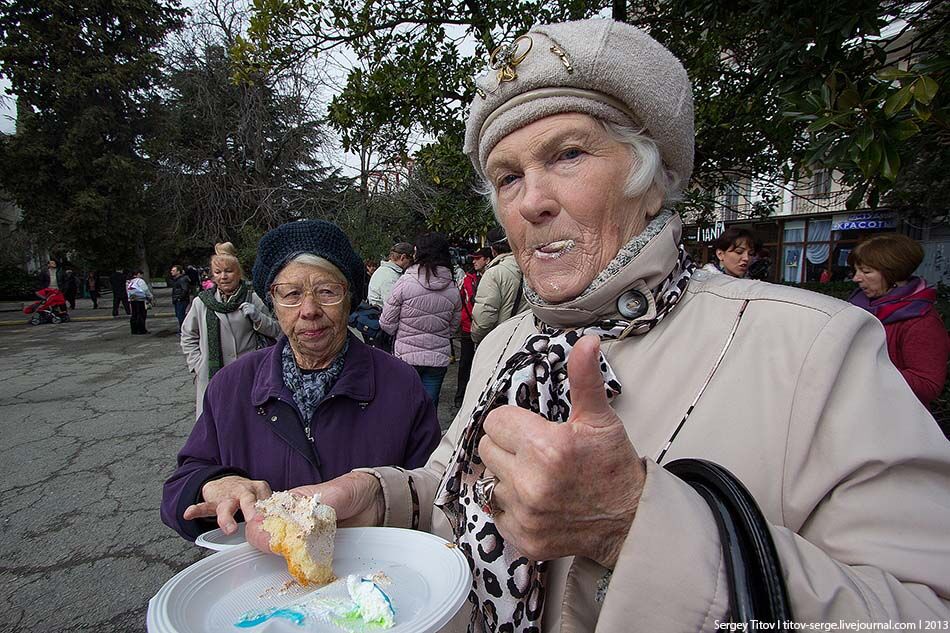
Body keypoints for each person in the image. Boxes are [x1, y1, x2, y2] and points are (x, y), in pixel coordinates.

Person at [247, 19, 950, 632]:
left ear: (651, 175)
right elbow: (453, 492)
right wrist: (377, 492)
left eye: (568, 154)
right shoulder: (504, 343)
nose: (531, 202)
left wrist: (634, 524)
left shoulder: (815, 350)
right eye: (508, 176)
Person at [161, 220, 441, 541]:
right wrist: (211, 484)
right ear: (273, 302)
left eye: (327, 291)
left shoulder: (400, 384)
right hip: (259, 581)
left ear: (349, 298)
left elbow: (434, 491)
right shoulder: (231, 385)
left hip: (372, 580)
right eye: (291, 294)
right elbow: (179, 488)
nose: (309, 310)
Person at [180, 242, 281, 419]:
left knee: (248, 423)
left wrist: (258, 317)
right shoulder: (202, 302)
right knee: (217, 424)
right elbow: (188, 336)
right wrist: (197, 364)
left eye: (228, 271)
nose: (223, 277)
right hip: (213, 375)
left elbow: (279, 331)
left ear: (238, 272)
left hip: (249, 374)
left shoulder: (253, 298)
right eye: (218, 272)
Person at [848, 234, 950, 408]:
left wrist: (861, 368)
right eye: (856, 271)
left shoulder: (921, 322)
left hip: (891, 418)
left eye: (866, 271)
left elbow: (927, 386)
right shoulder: (856, 306)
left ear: (893, 274)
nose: (856, 278)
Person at [380, 233, 462, 408]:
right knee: (429, 406)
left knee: (403, 405)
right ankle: (427, 435)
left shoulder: (405, 282)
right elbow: (454, 326)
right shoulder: (453, 287)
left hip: (406, 357)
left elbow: (386, 322)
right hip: (438, 358)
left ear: (418, 253)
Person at [470, 226, 528, 343]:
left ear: (493, 250)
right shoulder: (530, 268)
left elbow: (484, 318)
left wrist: (477, 338)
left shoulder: (494, 273)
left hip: (502, 341)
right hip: (527, 339)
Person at [455, 247, 492, 407]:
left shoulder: (491, 277)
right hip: (468, 327)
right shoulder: (468, 279)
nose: (474, 261)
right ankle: (461, 396)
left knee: (484, 363)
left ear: (487, 259)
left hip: (486, 328)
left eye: (478, 258)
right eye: (473, 258)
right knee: (465, 362)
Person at [366, 242, 414, 309]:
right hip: (380, 315)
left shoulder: (387, 271)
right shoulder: (389, 276)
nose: (411, 264)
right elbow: (391, 306)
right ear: (403, 257)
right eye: (411, 260)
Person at [126, 270, 152, 335]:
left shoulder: (129, 281)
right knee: (141, 314)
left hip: (132, 300)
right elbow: (145, 290)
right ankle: (142, 330)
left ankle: (134, 330)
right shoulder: (140, 281)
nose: (142, 276)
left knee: (134, 315)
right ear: (138, 274)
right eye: (141, 274)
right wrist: (150, 296)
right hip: (141, 300)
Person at [169, 264, 191, 333]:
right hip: (178, 300)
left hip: (181, 300)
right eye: (171, 270)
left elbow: (185, 289)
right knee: (179, 315)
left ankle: (183, 330)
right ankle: (182, 329)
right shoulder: (177, 280)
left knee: (181, 316)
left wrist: (179, 298)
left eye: (173, 270)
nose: (171, 272)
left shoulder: (182, 279)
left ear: (178, 272)